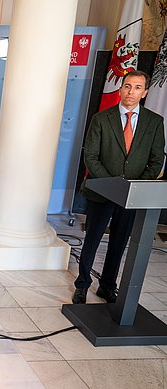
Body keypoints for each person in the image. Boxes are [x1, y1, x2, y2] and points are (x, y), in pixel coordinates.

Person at [73, 70, 165, 304]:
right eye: (126, 86)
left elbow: (156, 160)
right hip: (101, 192)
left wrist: (133, 187)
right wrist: (112, 186)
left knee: (119, 242)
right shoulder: (102, 118)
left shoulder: (155, 122)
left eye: (136, 87)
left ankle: (107, 286)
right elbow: (91, 157)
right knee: (92, 239)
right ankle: (82, 284)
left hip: (132, 196)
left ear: (144, 93)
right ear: (121, 89)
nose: (130, 91)